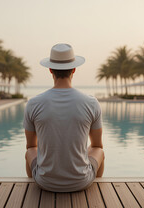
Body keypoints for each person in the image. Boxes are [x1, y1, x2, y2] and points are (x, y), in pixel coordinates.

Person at [24, 43, 104, 192]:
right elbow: (97, 144)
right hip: (82, 182)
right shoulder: (91, 103)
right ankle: (96, 191)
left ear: (50, 70)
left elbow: (31, 146)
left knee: (29, 151)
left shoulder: (33, 104)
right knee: (98, 150)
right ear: (74, 69)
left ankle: (32, 189)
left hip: (44, 182)